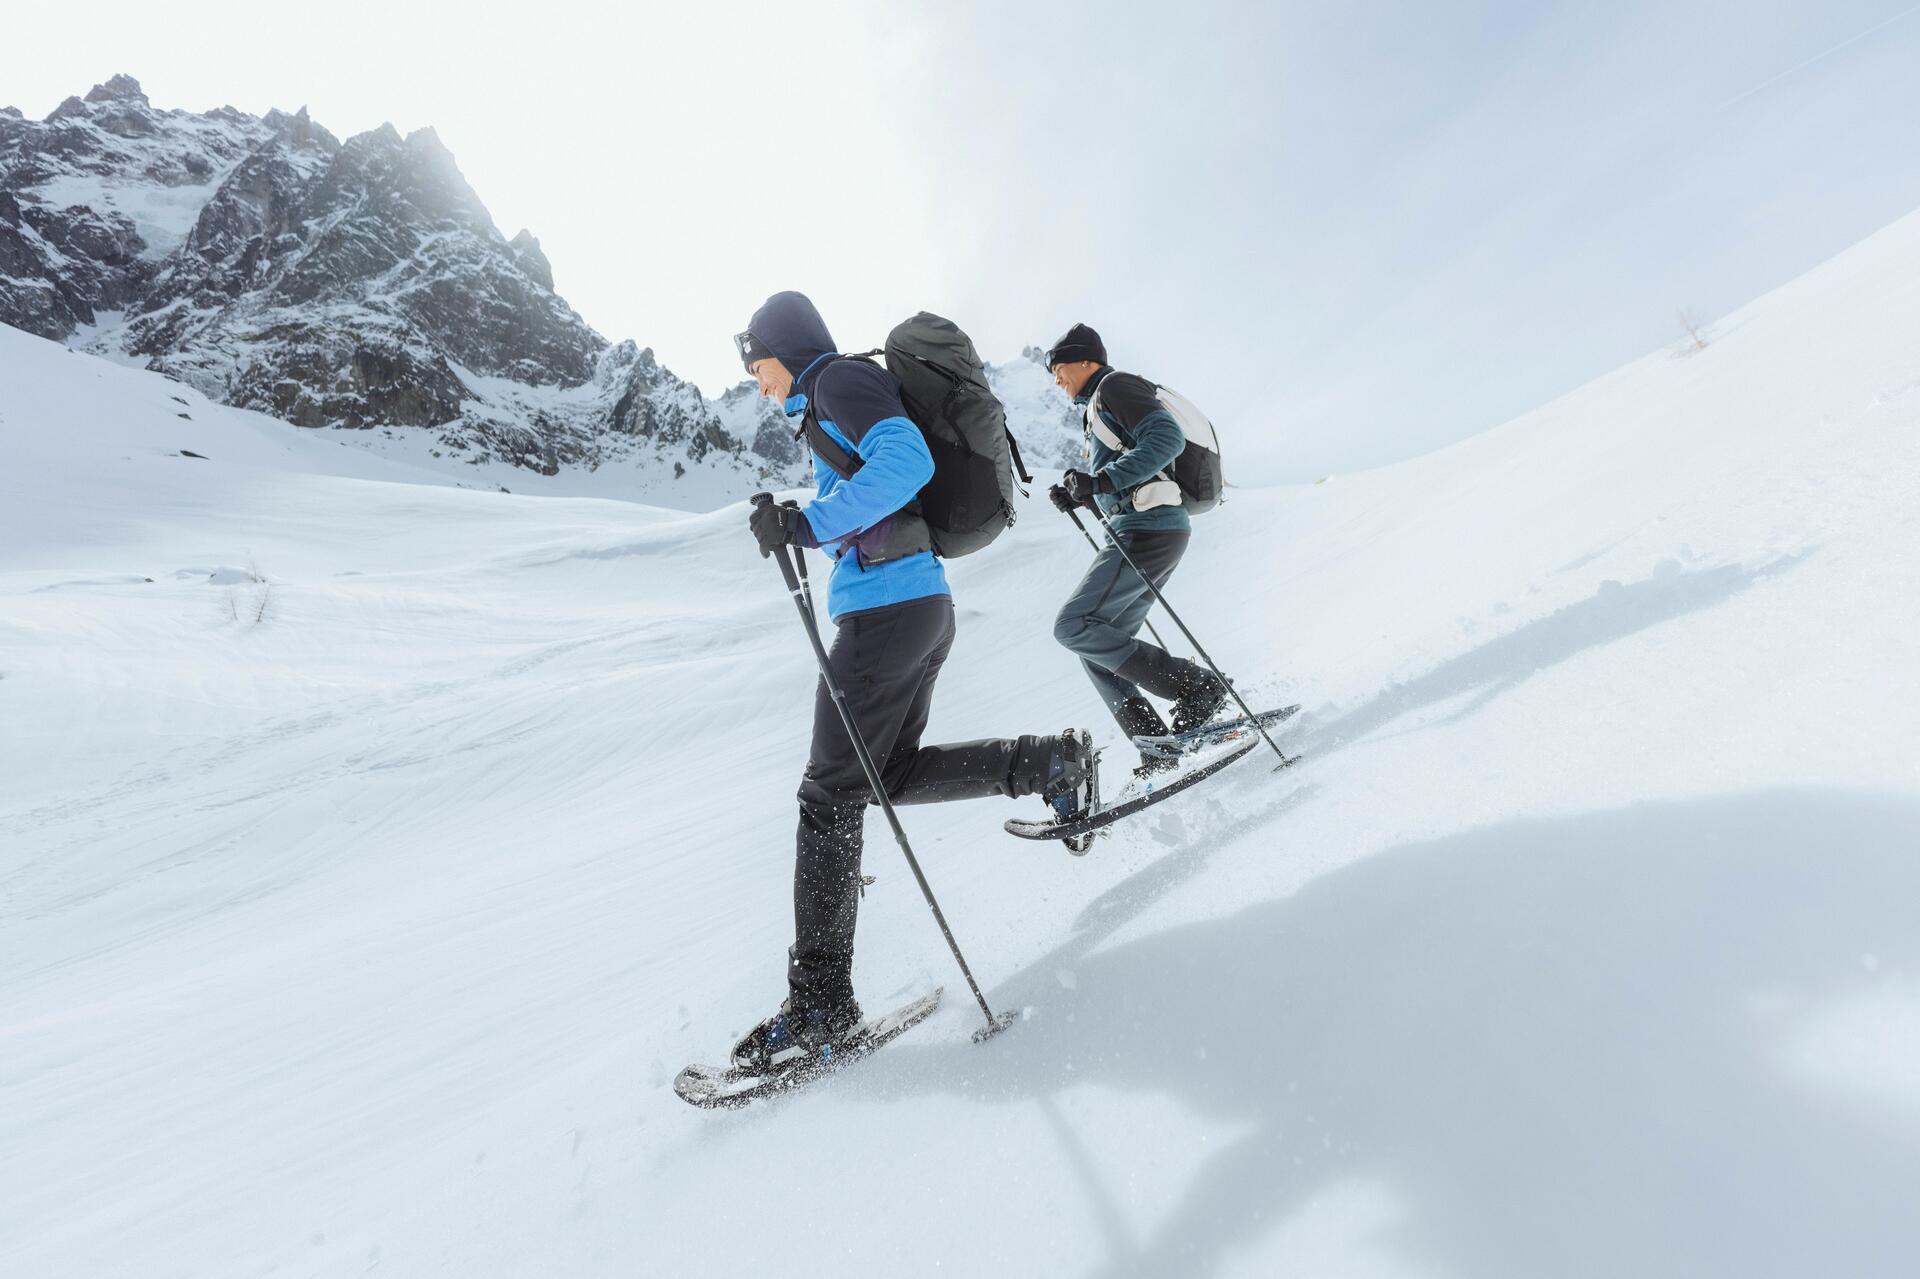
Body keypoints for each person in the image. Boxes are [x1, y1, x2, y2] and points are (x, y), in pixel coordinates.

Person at [730, 291, 1094, 1069]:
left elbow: (908, 462)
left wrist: (807, 524)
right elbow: (873, 491)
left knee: (827, 796)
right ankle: (1047, 763)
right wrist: (802, 520)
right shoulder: (829, 401)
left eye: (757, 361)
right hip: (913, 608)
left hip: (888, 617)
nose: (756, 379)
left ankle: (821, 1005)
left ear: (784, 349)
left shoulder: (836, 382)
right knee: (883, 775)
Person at [1046, 323, 1230, 775]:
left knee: (1073, 626)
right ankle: (1157, 749)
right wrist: (1083, 493)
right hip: (1148, 529)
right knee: (1098, 649)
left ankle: (1198, 688)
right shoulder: (1099, 406)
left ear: (1086, 361)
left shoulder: (1115, 386)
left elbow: (1165, 439)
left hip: (1147, 529)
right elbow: (1124, 473)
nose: (1056, 378)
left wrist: (1102, 480)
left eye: (1059, 367)